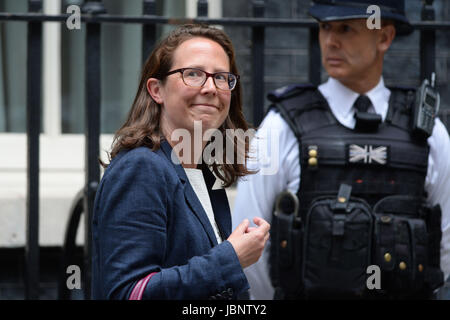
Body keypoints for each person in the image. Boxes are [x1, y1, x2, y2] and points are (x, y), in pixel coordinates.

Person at [233, 0, 450, 299]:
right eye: (325, 28)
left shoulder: (427, 132)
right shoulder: (281, 125)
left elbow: (445, 243)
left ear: (384, 37)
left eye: (346, 28)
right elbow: (249, 244)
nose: (331, 41)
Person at [91, 24, 270, 300]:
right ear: (156, 90)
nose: (211, 87)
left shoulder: (204, 175)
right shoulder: (141, 168)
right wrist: (230, 258)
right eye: (194, 74)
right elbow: (128, 293)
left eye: (222, 77)